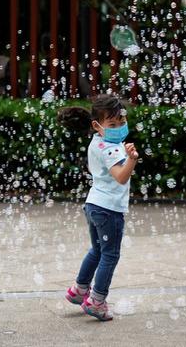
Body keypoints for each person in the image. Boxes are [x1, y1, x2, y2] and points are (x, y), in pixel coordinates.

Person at [58, 94, 139, 321]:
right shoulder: (110, 149)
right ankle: (96, 301)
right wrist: (131, 159)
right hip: (109, 210)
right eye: (112, 125)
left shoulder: (98, 142)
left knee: (97, 250)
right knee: (110, 255)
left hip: (93, 205)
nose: (120, 128)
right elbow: (121, 177)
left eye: (122, 122)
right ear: (97, 125)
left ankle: (79, 290)